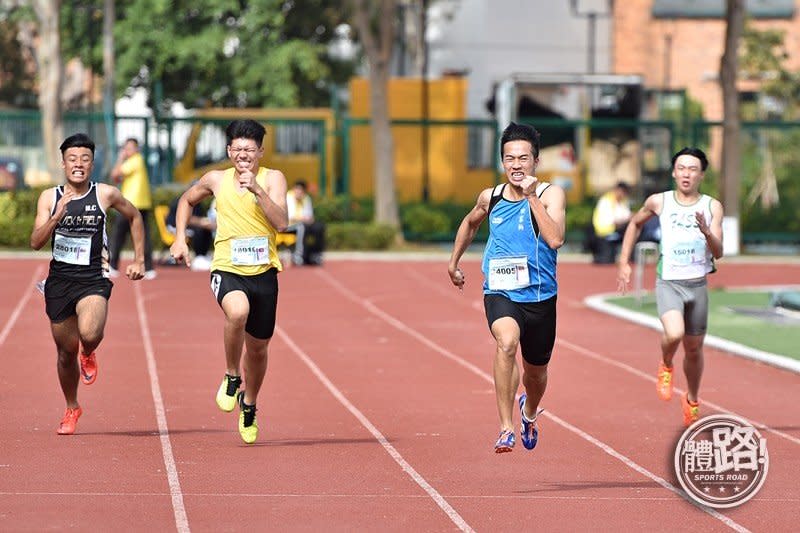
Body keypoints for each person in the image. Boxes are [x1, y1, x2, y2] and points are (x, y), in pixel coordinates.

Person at [448, 122, 566, 453]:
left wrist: (531, 198)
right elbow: (470, 223)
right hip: (500, 290)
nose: (516, 165)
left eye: (523, 158)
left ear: (536, 162)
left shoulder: (549, 194)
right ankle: (505, 427)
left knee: (537, 373)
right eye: (509, 158)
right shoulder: (491, 196)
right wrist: (454, 262)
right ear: (503, 162)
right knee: (507, 342)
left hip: (541, 297)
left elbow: (555, 239)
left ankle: (528, 412)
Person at [170, 119, 288, 444]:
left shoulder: (273, 179)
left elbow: (282, 223)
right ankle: (232, 375)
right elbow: (185, 201)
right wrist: (181, 238)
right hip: (227, 266)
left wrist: (258, 190)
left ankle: (249, 404)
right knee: (237, 311)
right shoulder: (215, 179)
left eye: (250, 149)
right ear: (228, 151)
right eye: (237, 149)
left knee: (260, 350)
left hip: (264, 271)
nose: (243, 155)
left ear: (260, 151)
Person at [30, 133, 146, 435]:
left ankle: (90, 350)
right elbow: (35, 242)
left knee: (90, 333)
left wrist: (139, 260)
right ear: (63, 163)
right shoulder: (49, 197)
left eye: (84, 159)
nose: (78, 164)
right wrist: (56, 217)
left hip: (93, 278)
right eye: (72, 159)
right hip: (59, 282)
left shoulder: (105, 194)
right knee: (65, 351)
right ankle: (72, 407)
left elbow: (134, 217)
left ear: (92, 164)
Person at [617, 147, 724, 427]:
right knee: (674, 333)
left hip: (698, 285)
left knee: (694, 349)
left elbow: (720, 251)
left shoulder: (712, 207)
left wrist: (707, 232)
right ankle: (666, 364)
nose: (686, 173)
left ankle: (692, 398)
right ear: (674, 172)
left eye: (692, 169)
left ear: (701, 174)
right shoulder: (659, 201)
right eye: (682, 168)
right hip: (670, 283)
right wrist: (624, 260)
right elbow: (634, 224)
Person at [108, 137, 156, 279]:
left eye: (130, 148)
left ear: (136, 149)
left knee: (119, 235)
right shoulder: (135, 162)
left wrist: (120, 159)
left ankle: (113, 265)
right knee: (141, 235)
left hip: (131, 204)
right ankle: (148, 268)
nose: (127, 151)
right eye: (126, 148)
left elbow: (114, 174)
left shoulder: (135, 160)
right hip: (140, 203)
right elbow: (117, 179)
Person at [165, 194, 216, 270]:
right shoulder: (184, 200)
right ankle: (199, 257)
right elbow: (187, 218)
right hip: (173, 226)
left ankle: (203, 256)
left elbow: (198, 218)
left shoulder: (198, 203)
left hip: (188, 226)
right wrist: (201, 222)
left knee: (205, 229)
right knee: (199, 230)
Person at [591, 181, 632, 264]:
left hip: (616, 230)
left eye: (625, 193)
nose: (623, 195)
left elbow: (627, 215)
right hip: (604, 232)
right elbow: (613, 221)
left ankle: (630, 257)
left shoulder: (623, 202)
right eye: (622, 192)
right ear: (616, 190)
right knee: (607, 261)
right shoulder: (606, 201)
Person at [285, 179, 325, 265]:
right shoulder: (288, 197)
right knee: (302, 227)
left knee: (319, 227)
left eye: (301, 190)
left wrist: (307, 219)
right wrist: (304, 219)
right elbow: (290, 216)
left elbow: (309, 216)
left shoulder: (306, 198)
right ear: (294, 189)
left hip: (303, 224)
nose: (299, 192)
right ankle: (298, 255)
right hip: (289, 225)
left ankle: (316, 254)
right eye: (297, 189)